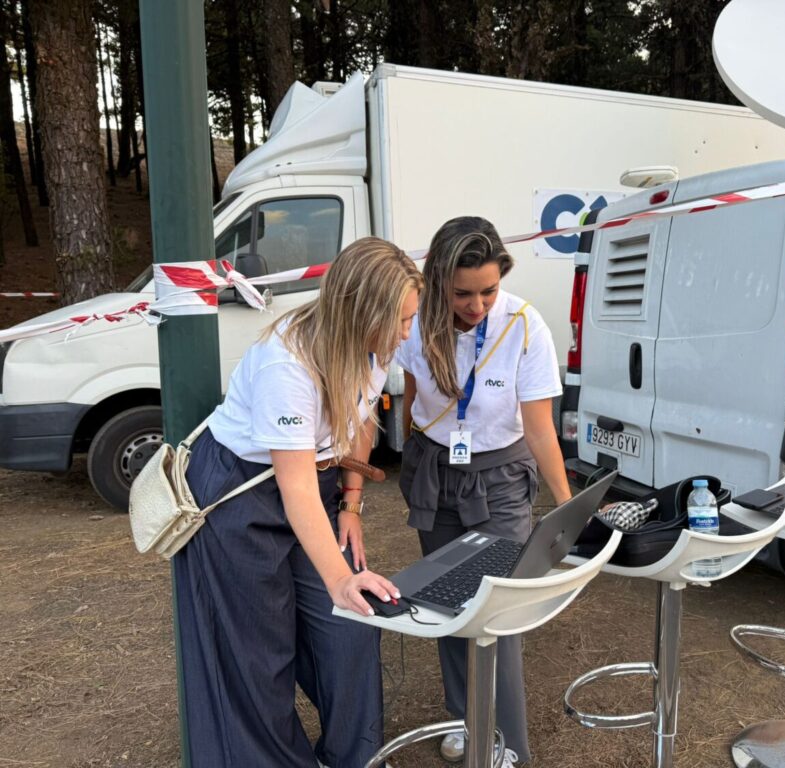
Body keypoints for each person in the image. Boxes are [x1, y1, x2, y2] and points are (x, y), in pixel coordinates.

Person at [172, 237, 423, 768]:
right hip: (241, 493)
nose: (407, 332)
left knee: (353, 627)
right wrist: (340, 578)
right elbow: (296, 488)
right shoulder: (287, 364)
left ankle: (354, 758)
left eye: (410, 318)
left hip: (315, 486)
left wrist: (351, 505)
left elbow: (360, 418)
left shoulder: (374, 345)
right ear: (360, 312)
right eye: (400, 320)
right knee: (258, 653)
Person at [396, 216, 572, 766]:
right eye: (462, 294)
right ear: (438, 283)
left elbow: (539, 429)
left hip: (500, 479)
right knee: (446, 601)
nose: (477, 306)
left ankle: (507, 742)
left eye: (488, 291)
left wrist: (567, 505)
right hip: (436, 472)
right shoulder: (415, 323)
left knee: (497, 608)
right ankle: (464, 717)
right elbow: (410, 401)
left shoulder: (524, 325)